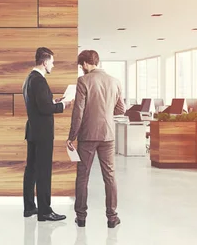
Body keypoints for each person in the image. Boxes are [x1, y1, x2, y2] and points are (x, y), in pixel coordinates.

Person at [66, 50, 125, 229]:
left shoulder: (83, 81)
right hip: (107, 135)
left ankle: (81, 217)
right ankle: (112, 217)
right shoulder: (115, 81)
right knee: (110, 176)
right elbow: (121, 109)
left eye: (80, 66)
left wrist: (72, 136)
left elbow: (78, 112)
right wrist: (105, 113)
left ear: (85, 64)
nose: (81, 69)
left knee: (83, 176)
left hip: (87, 136)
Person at [22, 47, 71, 222]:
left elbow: (40, 104)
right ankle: (44, 211)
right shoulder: (40, 80)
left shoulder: (29, 79)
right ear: (44, 62)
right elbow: (44, 108)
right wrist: (63, 105)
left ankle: (29, 207)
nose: (53, 65)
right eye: (52, 62)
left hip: (33, 131)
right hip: (43, 133)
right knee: (43, 171)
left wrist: (53, 101)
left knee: (32, 169)